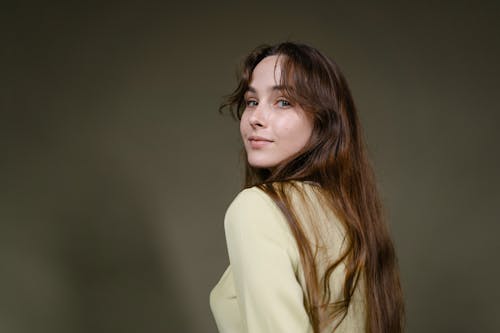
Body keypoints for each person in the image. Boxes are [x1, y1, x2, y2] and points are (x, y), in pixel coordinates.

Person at [209, 42, 405, 333]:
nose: (255, 119)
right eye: (252, 101)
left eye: (283, 102)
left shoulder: (257, 208)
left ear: (323, 120)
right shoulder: (351, 215)